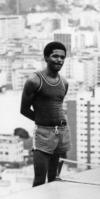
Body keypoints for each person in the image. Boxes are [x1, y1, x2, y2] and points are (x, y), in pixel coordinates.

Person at [20, 41, 71, 187]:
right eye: (55, 56)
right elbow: (24, 109)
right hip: (43, 133)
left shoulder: (64, 83)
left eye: (62, 57)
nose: (59, 60)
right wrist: (43, 121)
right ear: (46, 57)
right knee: (39, 181)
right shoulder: (34, 81)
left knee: (54, 178)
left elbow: (56, 106)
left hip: (62, 132)